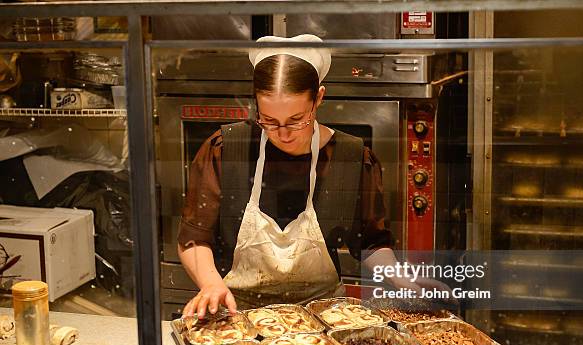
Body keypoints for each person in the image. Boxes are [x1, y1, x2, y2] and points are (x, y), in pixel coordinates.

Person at [178, 34, 451, 319]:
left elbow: (371, 242)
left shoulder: (351, 157)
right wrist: (210, 283)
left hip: (324, 322)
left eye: (296, 120)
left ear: (318, 98)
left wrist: (399, 279)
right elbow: (194, 236)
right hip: (237, 317)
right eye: (268, 120)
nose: (282, 134)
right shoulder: (226, 149)